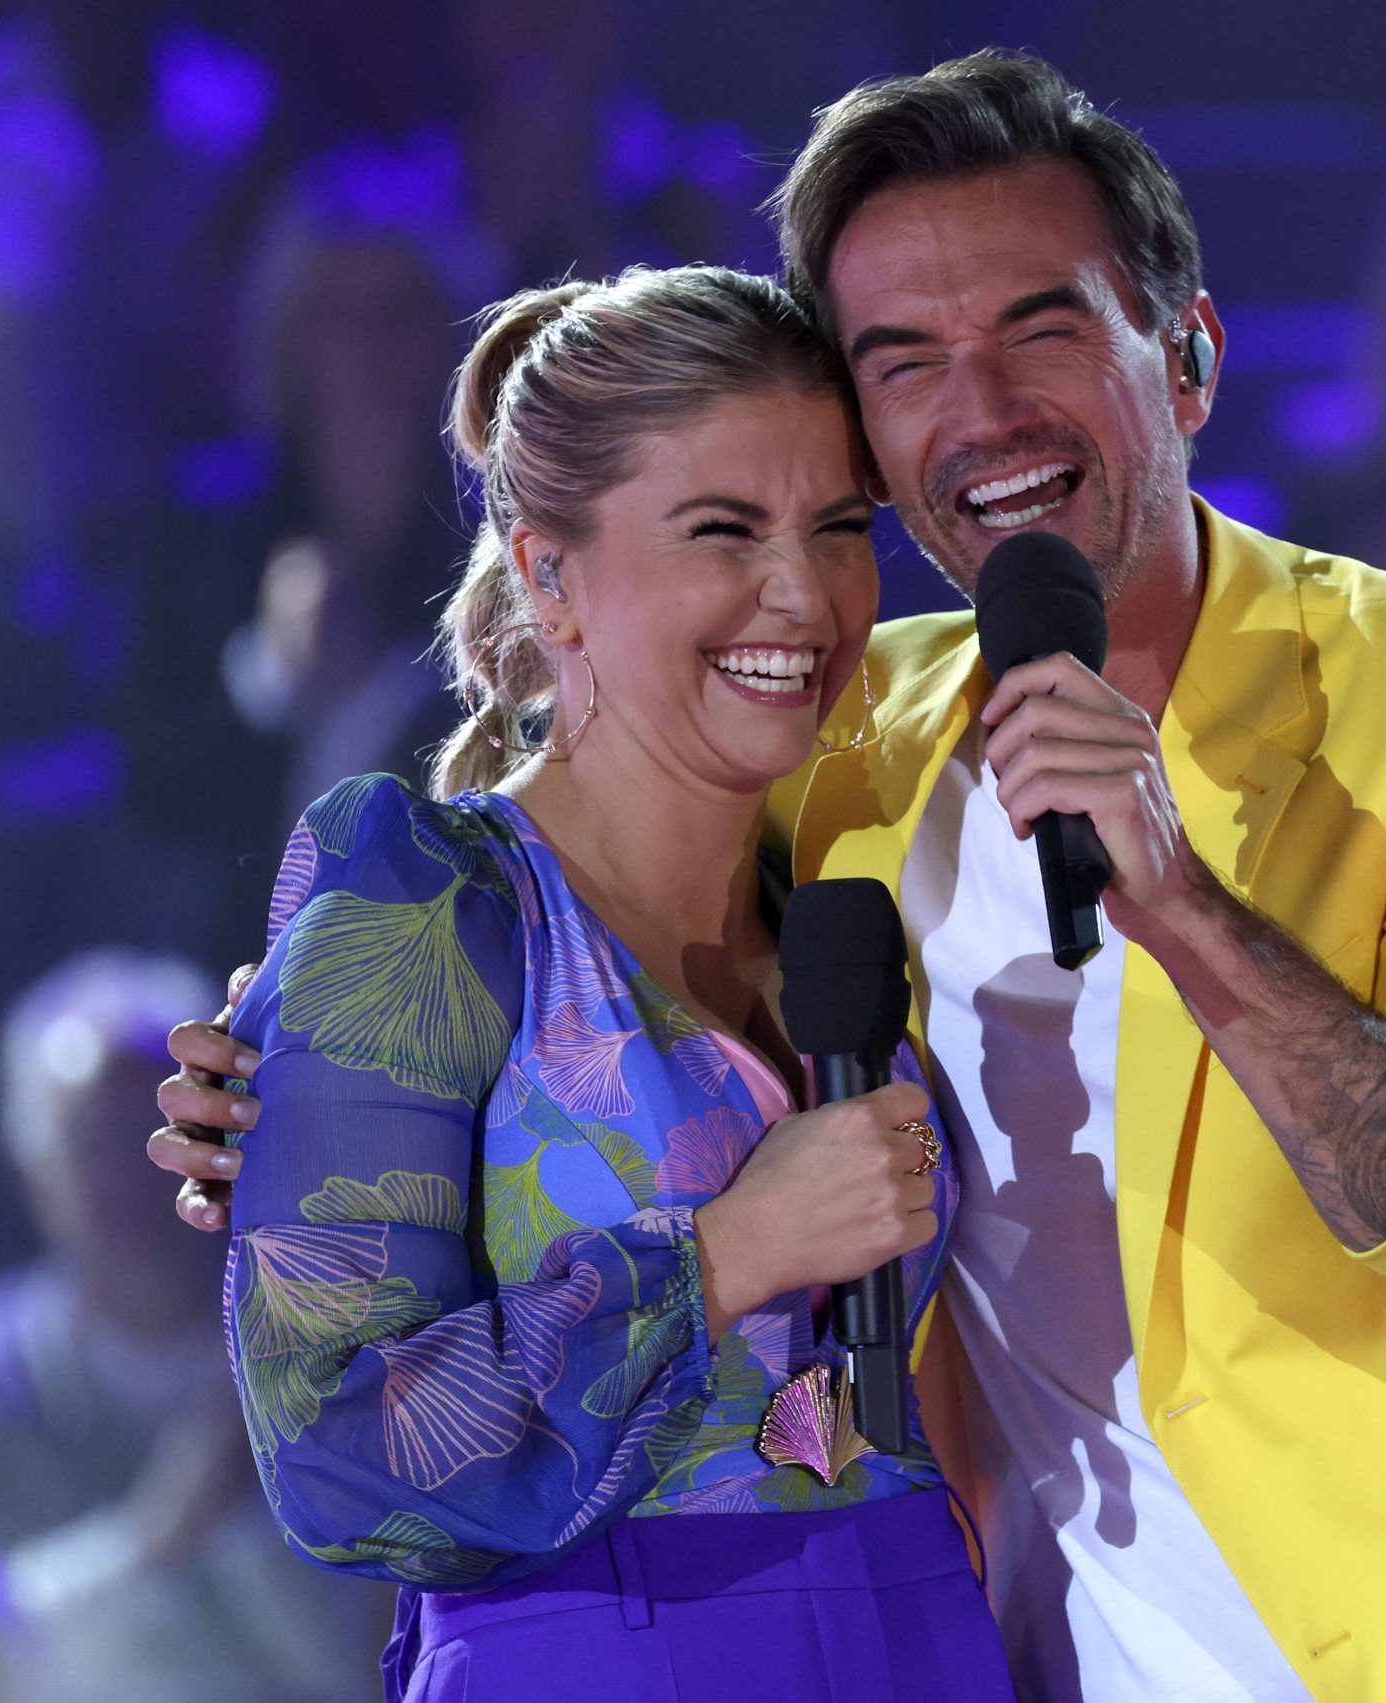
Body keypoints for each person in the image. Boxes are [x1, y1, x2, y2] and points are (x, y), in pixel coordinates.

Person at [157, 52, 1386, 1700]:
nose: (981, 412)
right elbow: (566, 900)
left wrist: (1187, 913)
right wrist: (315, 1073)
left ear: (1188, 359)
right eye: (902, 362)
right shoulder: (851, 737)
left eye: (1043, 328)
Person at [185, 264, 1015, 1701]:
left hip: (915, 1623)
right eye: (724, 529)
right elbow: (336, 1453)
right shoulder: (433, 907)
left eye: (838, 527)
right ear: (549, 575)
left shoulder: (844, 895)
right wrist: (723, 1255)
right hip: (595, 1647)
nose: (805, 593)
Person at [0, 950, 381, 1703]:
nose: (129, 1175)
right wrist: (158, 1537)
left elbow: (385, 1643)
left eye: (160, 1136)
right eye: (93, 1141)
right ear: (31, 1168)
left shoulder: (344, 1367)